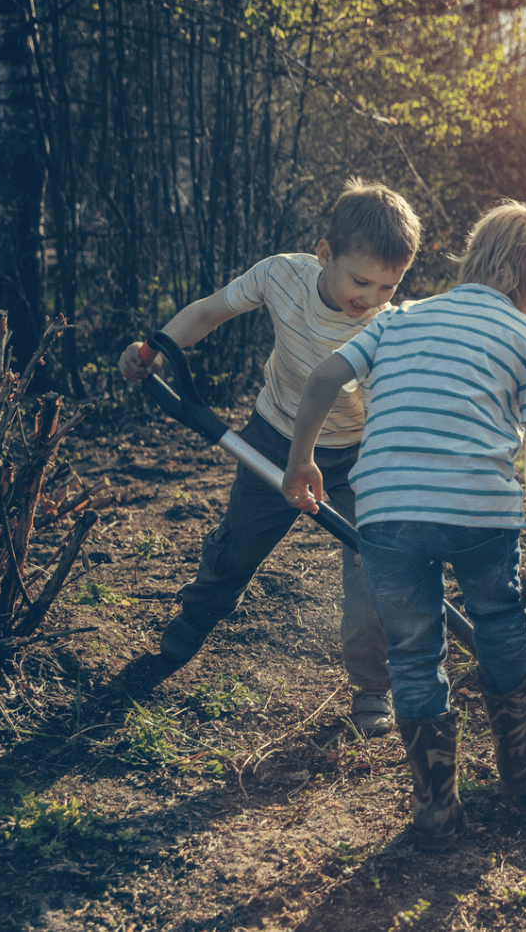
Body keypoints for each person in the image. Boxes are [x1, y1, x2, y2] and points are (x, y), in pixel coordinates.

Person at [282, 200, 526, 851]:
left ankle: (436, 804)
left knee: (412, 652)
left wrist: (301, 459)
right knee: (499, 623)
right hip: (479, 512)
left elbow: (327, 373)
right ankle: (519, 774)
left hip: (384, 509)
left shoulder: (399, 317)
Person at [119, 178, 422, 738]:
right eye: (361, 281)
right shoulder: (281, 274)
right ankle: (196, 616)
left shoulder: (388, 326)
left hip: (358, 457)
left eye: (389, 286)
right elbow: (209, 312)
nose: (373, 297)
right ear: (324, 255)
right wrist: (152, 349)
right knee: (239, 544)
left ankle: (371, 686)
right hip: (272, 437)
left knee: (372, 571)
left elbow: (392, 414)